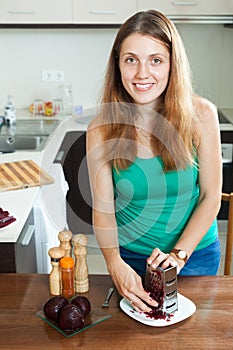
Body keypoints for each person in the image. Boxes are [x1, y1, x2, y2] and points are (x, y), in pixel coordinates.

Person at [86, 10, 222, 312]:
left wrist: (178, 256)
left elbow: (211, 198)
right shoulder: (101, 128)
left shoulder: (202, 115)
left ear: (173, 65)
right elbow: (103, 208)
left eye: (156, 60)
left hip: (194, 256)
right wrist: (113, 263)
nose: (142, 73)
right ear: (118, 65)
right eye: (131, 59)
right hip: (131, 258)